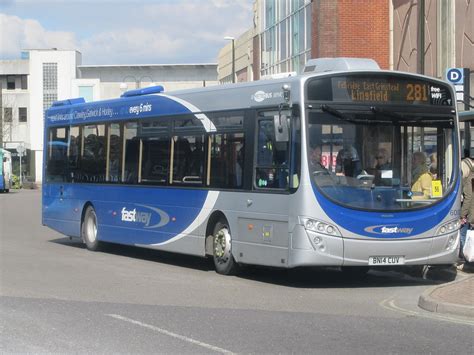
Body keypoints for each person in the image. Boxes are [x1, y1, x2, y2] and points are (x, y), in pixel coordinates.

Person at [460, 156, 474, 270]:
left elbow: (468, 198)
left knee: (464, 235)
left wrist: (462, 214)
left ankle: (467, 261)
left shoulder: (469, 179)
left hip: (470, 213)